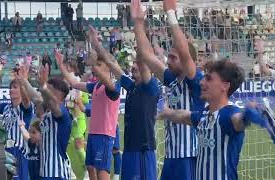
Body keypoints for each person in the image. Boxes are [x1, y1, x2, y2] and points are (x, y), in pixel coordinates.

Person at [157, 59, 272, 180]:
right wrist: (167, 113)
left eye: (208, 78)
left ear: (225, 86)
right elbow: (184, 116)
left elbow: (238, 121)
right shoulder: (204, 115)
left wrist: (248, 114)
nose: (201, 82)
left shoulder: (228, 114)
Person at [131, 0, 205, 179]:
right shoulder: (171, 79)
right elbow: (147, 55)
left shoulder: (195, 80)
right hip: (172, 156)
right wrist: (138, 24)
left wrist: (170, 13)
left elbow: (184, 52)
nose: (168, 60)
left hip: (189, 155)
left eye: (173, 57)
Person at [88, 25, 160, 180]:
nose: (133, 65)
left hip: (142, 151)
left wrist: (139, 28)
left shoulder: (151, 87)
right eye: (133, 63)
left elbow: (143, 61)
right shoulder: (131, 86)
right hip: (129, 149)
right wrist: (96, 43)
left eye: (137, 64)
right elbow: (112, 63)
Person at [55, 47, 120, 180]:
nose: (96, 68)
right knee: (90, 168)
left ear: (109, 68)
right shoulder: (95, 86)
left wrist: (93, 61)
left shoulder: (113, 86)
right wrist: (61, 66)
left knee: (102, 172)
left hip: (104, 135)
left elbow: (106, 81)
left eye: (100, 65)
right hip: (93, 134)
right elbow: (74, 83)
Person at [0, 76, 34, 180]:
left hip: (21, 151)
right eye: (10, 87)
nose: (11, 90)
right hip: (6, 150)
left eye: (15, 87)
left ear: (22, 90)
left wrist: (23, 81)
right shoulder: (5, 107)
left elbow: (27, 100)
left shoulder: (25, 107)